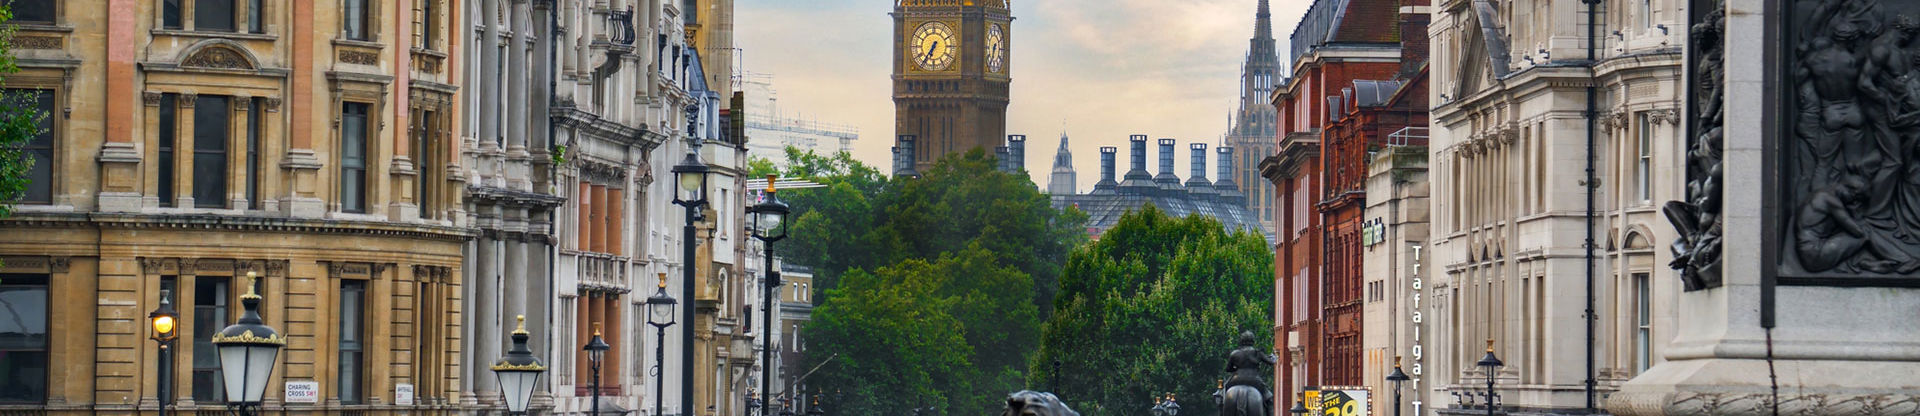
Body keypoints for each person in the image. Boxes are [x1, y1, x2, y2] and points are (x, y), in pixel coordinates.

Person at [1223, 331, 1276, 415]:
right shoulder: (1257, 353)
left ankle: (1220, 412)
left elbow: (1228, 369)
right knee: (1269, 399)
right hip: (1254, 380)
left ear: (1241, 341)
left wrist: (1236, 369)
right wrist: (1274, 357)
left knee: (1222, 394)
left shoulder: (1234, 353)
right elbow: (1271, 362)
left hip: (1236, 380)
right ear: (1252, 341)